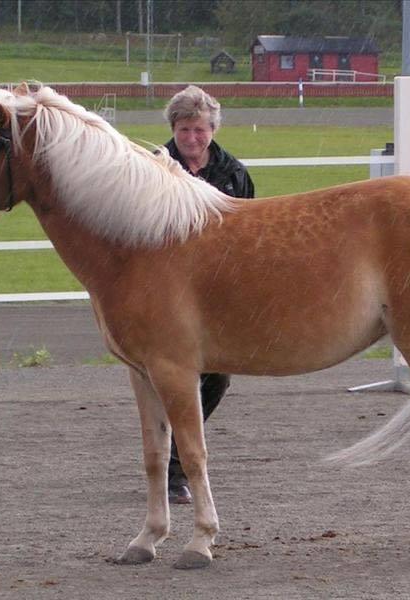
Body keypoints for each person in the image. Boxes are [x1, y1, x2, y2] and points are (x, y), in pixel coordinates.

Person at [161, 85, 254, 504]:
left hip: (218, 292)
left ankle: (176, 463)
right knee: (168, 378)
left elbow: (250, 232)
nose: (192, 139)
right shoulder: (155, 168)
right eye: (185, 130)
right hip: (168, 291)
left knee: (216, 376)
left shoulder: (233, 173)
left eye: (200, 130)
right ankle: (169, 466)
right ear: (173, 129)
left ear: (212, 129)